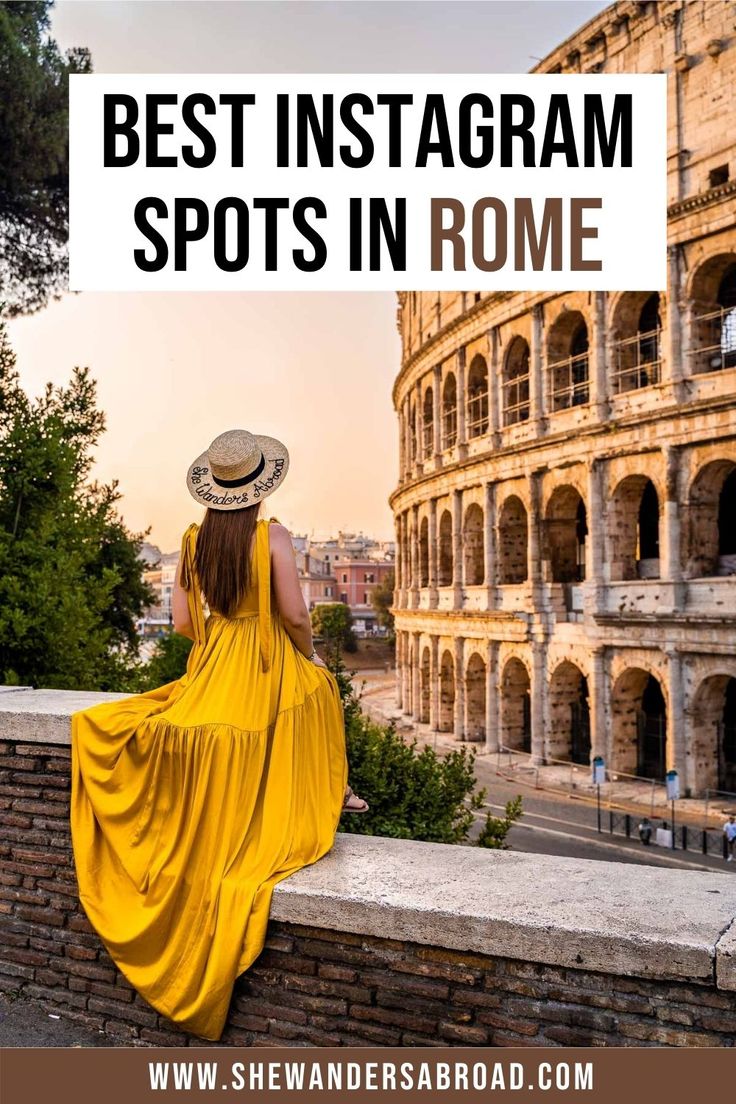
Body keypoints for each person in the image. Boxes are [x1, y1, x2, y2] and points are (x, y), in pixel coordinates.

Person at [70, 428, 368, 1041]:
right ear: (260, 487)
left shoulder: (190, 539)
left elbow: (182, 622)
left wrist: (215, 650)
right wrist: (307, 658)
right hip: (266, 657)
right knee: (320, 695)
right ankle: (334, 792)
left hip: (215, 661)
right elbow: (294, 614)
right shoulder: (273, 537)